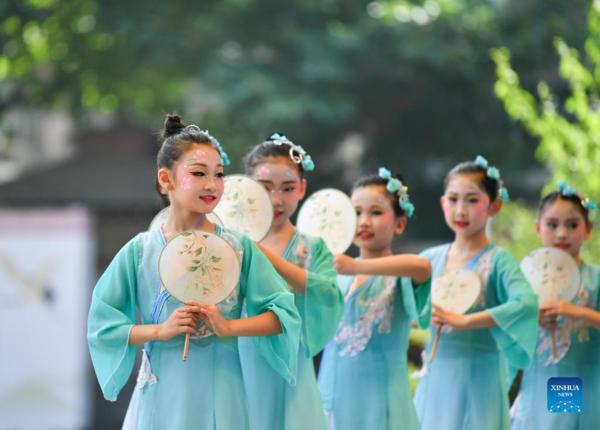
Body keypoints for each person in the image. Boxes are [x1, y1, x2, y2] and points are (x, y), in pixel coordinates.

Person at [87, 115, 301, 430]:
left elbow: (283, 316)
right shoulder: (140, 250)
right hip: (162, 392)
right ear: (166, 179)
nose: (212, 184)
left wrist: (228, 327)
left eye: (219, 175)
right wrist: (160, 330)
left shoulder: (238, 247)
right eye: (199, 173)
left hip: (223, 392)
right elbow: (103, 327)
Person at [413, 155, 538, 430]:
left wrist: (467, 320)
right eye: (453, 199)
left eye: (472, 200)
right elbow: (403, 308)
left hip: (480, 378)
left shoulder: (498, 260)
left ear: (494, 206)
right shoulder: (428, 259)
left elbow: (527, 303)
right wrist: (420, 317)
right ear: (442, 203)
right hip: (435, 378)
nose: (460, 210)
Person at [238, 133, 344, 430]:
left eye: (287, 188)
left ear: (303, 189)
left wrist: (264, 256)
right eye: (265, 188)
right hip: (239, 361)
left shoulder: (312, 247)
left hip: (291, 366)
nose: (276, 199)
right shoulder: (231, 245)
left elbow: (328, 294)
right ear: (248, 187)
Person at [317, 167, 432, 430]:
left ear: (399, 224)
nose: (364, 221)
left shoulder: (399, 272)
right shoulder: (336, 273)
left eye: (376, 212)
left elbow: (423, 267)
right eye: (356, 213)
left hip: (383, 401)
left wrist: (357, 267)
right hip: (332, 395)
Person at [511, 181, 599, 429]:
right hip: (538, 379)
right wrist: (529, 317)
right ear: (538, 228)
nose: (562, 234)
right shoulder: (524, 277)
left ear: (588, 229)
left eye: (572, 225)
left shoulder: (595, 278)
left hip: (578, 380)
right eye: (552, 225)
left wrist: (578, 312)